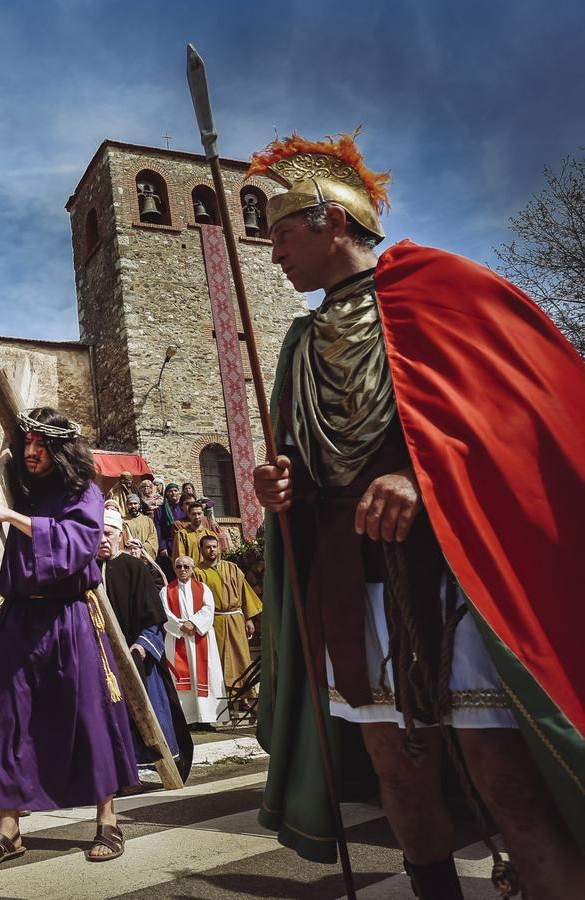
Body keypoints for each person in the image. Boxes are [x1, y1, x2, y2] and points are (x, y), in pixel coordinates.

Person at [249, 130, 585, 896]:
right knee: (395, 773)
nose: (272, 257)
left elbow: (516, 423)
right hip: (347, 579)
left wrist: (421, 478)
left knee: (504, 773)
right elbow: (306, 458)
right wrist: (283, 489)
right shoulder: (300, 343)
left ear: (332, 221)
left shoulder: (443, 289)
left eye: (281, 235)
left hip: (456, 573)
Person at [0, 407, 137, 869]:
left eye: (40, 445)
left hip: (68, 618)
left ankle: (108, 820)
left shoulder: (83, 492)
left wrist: (11, 517)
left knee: (88, 713)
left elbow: (74, 545)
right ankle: (8, 830)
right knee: (10, 717)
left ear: (61, 450)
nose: (31, 452)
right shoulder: (17, 490)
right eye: (26, 444)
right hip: (20, 619)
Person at [99, 507, 193, 781]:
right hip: (101, 658)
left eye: (108, 533)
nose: (103, 539)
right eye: (98, 534)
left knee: (150, 711)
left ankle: (154, 768)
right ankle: (117, 775)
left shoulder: (136, 569)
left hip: (138, 656)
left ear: (119, 536)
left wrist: (140, 648)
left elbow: (154, 619)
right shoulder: (87, 572)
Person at [194, 535, 262, 704]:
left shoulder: (232, 568)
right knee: (220, 660)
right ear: (201, 550)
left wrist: (248, 619)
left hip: (236, 619)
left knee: (241, 658)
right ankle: (227, 700)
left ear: (219, 548)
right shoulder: (197, 572)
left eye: (214, 547)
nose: (212, 550)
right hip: (214, 622)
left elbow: (245, 593)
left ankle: (246, 698)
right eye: (208, 547)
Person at [163, 557, 225, 726]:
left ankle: (206, 718)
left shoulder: (203, 588)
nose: (182, 569)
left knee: (205, 674)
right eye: (178, 566)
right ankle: (188, 719)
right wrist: (181, 626)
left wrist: (194, 623)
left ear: (192, 569)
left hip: (200, 637)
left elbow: (209, 608)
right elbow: (165, 613)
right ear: (174, 569)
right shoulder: (166, 590)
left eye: (186, 566)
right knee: (182, 678)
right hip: (178, 638)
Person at [173, 500, 223, 564]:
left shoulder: (211, 535)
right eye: (194, 514)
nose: (197, 517)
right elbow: (179, 557)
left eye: (199, 514)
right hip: (191, 572)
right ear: (189, 515)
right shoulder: (182, 534)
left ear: (203, 514)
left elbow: (217, 555)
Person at [122, 491, 160, 560]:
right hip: (129, 556)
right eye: (130, 504)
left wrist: (142, 548)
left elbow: (153, 538)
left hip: (145, 556)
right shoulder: (123, 521)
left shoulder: (148, 520)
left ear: (139, 505)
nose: (133, 506)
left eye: (135, 503)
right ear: (127, 506)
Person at [153, 483, 185, 559]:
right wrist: (162, 547)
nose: (173, 493)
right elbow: (158, 529)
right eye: (170, 491)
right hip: (169, 544)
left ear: (179, 493)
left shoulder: (183, 507)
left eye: (175, 490)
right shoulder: (160, 510)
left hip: (184, 542)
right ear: (166, 493)